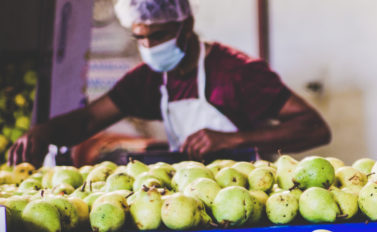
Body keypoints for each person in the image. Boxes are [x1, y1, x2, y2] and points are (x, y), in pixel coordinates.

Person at [9, 0, 331, 166]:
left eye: (159, 35)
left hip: (251, 202)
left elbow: (315, 128)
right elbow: (91, 118)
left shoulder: (237, 72)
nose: (149, 47)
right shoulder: (149, 79)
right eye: (140, 38)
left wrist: (234, 140)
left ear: (186, 24)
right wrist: (43, 133)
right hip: (189, 203)